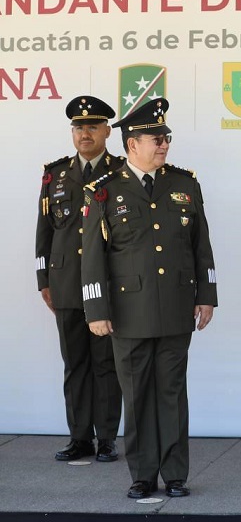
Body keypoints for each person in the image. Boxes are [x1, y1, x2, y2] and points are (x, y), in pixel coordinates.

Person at [81, 98, 217, 499]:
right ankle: (142, 474)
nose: (164, 145)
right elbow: (92, 258)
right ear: (131, 143)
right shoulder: (104, 192)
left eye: (166, 137)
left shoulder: (185, 184)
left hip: (176, 307)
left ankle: (175, 474)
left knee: (173, 392)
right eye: (156, 138)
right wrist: (96, 309)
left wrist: (206, 295)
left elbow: (201, 246)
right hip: (128, 313)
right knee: (137, 395)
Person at [36, 95, 124, 463]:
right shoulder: (56, 174)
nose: (84, 134)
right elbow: (45, 231)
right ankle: (79, 438)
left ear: (107, 131)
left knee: (106, 364)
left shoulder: (121, 171)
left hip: (105, 287)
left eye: (91, 126)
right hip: (67, 284)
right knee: (75, 364)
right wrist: (44, 279)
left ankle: (106, 439)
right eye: (78, 127)